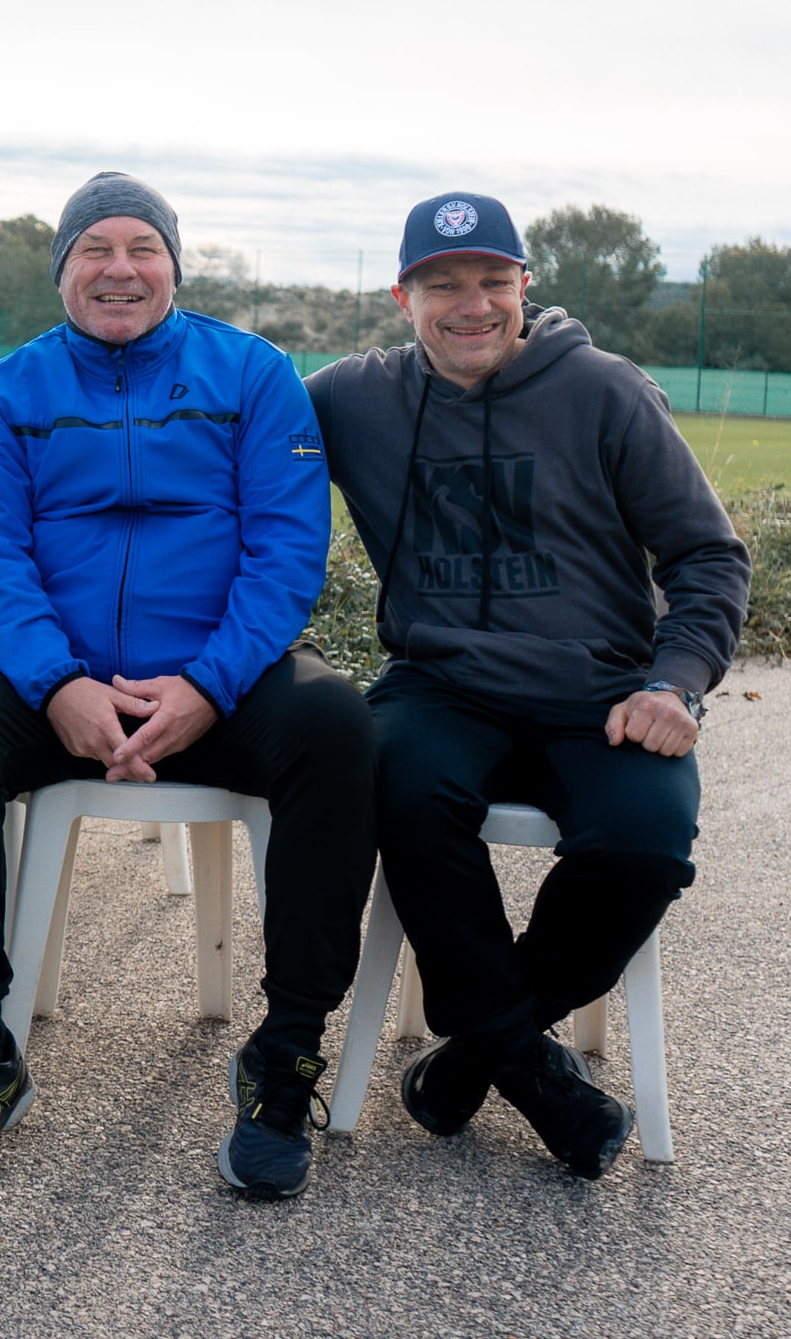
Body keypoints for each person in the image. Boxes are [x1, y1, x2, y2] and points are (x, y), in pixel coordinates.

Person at [0, 171, 377, 1202]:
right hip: (56, 682)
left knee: (338, 724)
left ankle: (285, 1057)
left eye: (141, 248)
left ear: (173, 263)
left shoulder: (252, 373)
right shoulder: (6, 393)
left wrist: (207, 685)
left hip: (221, 681)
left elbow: (287, 553)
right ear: (62, 269)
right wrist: (59, 682)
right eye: (94, 250)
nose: (119, 268)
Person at [307, 193, 750, 1180]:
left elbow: (708, 557)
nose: (472, 304)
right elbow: (231, 437)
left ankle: (475, 1054)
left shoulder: (605, 390)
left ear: (524, 288)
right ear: (401, 296)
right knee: (399, 787)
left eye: (493, 282)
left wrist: (677, 683)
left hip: (604, 686)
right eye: (443, 284)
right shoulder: (351, 398)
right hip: (443, 680)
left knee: (643, 844)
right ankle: (534, 1073)